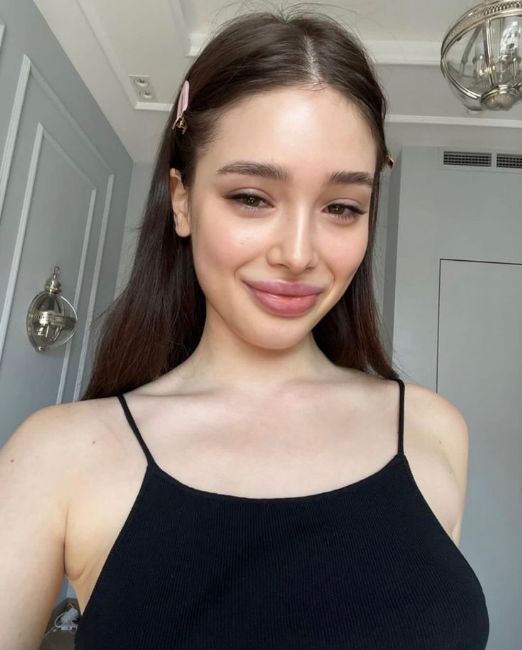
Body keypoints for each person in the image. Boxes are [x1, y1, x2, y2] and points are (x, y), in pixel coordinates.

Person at [0, 8, 489, 649]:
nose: (298, 253)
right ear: (182, 201)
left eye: (343, 207)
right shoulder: (57, 457)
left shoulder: (433, 430)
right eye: (251, 197)